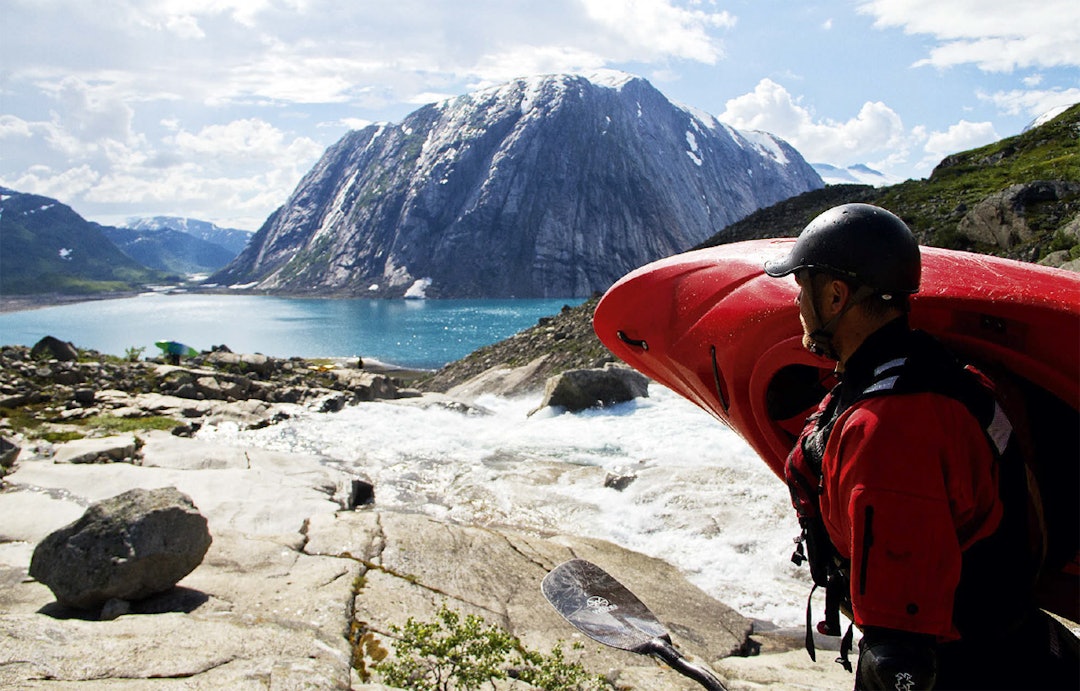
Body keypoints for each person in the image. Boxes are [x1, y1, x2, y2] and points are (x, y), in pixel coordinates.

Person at [762, 203, 1079, 690]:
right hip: (1009, 637)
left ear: (835, 296)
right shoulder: (943, 373)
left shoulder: (888, 429)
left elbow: (902, 646)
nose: (797, 303)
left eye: (803, 288)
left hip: (967, 665)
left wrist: (888, 669)